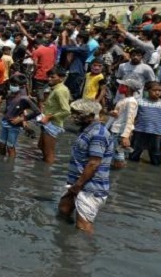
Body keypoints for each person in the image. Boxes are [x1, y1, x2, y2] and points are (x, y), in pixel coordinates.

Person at [58, 99, 114, 234]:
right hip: (78, 182)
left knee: (83, 226)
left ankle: (83, 250)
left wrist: (78, 185)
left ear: (90, 115)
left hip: (89, 187)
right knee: (64, 209)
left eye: (77, 114)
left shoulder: (98, 135)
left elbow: (94, 163)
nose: (73, 117)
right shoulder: (86, 130)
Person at [129, 81, 161, 166]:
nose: (157, 92)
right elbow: (134, 117)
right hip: (139, 131)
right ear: (147, 90)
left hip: (156, 133)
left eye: (160, 90)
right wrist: (130, 130)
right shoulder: (140, 102)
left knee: (156, 157)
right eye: (154, 90)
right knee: (134, 154)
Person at [0, 73, 40, 157]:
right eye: (11, 84)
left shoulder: (24, 98)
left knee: (10, 147)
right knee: (1, 144)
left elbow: (37, 111)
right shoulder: (10, 95)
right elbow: (8, 108)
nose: (12, 86)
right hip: (5, 122)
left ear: (22, 86)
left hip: (14, 126)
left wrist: (22, 119)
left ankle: (10, 166)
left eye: (14, 85)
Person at [37, 66, 71, 164]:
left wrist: (49, 117)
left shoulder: (60, 90)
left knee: (49, 153)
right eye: (49, 77)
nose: (49, 79)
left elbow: (66, 111)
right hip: (47, 122)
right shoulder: (54, 89)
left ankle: (46, 175)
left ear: (61, 78)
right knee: (41, 146)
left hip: (53, 124)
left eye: (53, 77)